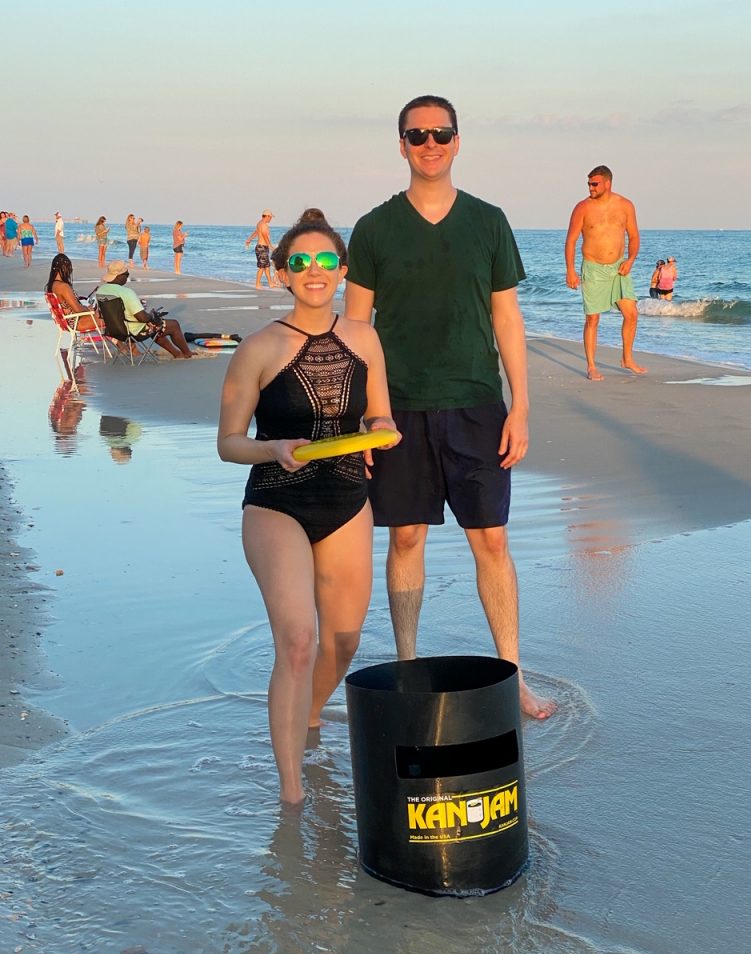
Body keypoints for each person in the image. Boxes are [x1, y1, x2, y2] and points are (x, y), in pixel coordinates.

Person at [345, 94, 555, 721]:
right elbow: (356, 328)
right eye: (417, 135)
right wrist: (361, 419)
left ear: (458, 141)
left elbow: (507, 318)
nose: (429, 143)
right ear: (401, 144)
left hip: (475, 403)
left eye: (441, 133)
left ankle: (511, 677)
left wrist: (521, 406)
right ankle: (408, 670)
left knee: (490, 539)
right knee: (406, 536)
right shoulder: (375, 227)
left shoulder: (488, 221)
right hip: (397, 410)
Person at [217, 209, 399, 804]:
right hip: (276, 502)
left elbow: (379, 413)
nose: (314, 271)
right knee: (298, 640)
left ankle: (309, 714)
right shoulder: (260, 346)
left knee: (342, 643)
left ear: (342, 270)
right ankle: (292, 793)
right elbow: (228, 443)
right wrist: (271, 447)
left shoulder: (366, 338)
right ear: (282, 274)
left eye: (325, 261)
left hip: (348, 499)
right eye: (300, 262)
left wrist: (382, 430)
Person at [565, 166, 646, 380]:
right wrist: (570, 270)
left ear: (607, 184)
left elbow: (634, 237)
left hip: (618, 268)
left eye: (595, 184)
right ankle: (591, 366)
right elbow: (571, 240)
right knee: (592, 319)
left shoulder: (625, 205)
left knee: (632, 314)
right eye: (589, 184)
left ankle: (627, 358)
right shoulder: (582, 207)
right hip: (593, 268)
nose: (590, 187)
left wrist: (630, 260)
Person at [96, 259, 195, 358]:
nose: (127, 277)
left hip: (113, 331)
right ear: (119, 276)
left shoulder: (101, 291)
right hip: (131, 332)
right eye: (126, 274)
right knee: (172, 324)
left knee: (156, 326)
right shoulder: (126, 292)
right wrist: (152, 316)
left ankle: (176, 353)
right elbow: (142, 318)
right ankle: (187, 353)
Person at [46, 253, 102, 332]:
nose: (70, 271)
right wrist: (88, 309)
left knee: (105, 315)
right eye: (69, 269)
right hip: (76, 322)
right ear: (64, 268)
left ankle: (115, 341)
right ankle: (118, 342)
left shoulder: (52, 285)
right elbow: (78, 309)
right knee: (110, 317)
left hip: (67, 322)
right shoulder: (63, 287)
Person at [245, 210, 276, 288]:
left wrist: (249, 239)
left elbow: (256, 232)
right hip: (262, 248)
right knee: (262, 267)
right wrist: (270, 246)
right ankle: (257, 284)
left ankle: (270, 283)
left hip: (261, 247)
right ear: (267, 216)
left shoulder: (259, 223)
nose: (271, 219)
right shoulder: (264, 225)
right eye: (270, 217)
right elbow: (265, 236)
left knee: (267, 266)